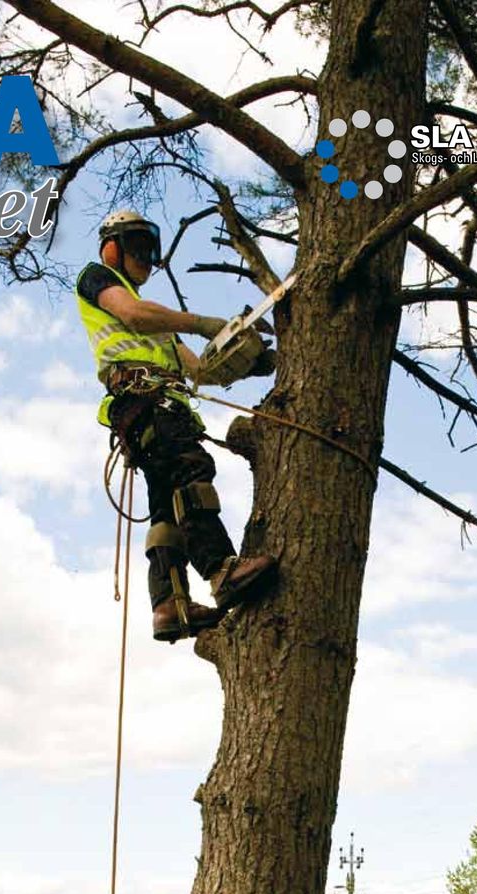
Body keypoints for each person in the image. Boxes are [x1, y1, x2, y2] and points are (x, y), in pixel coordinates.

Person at [77, 209, 278, 642]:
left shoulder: (161, 328)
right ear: (112, 247)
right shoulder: (99, 280)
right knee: (191, 472)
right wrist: (203, 322)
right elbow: (133, 315)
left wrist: (249, 359)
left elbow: (202, 371)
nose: (147, 259)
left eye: (151, 251)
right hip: (145, 401)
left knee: (169, 506)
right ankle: (221, 569)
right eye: (138, 247)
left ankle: (169, 604)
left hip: (158, 406)